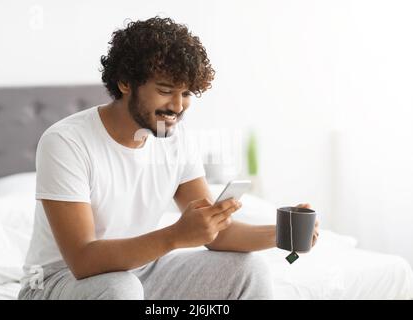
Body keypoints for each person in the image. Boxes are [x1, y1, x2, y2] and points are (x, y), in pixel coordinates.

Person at [18, 16, 319, 300]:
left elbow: (216, 236)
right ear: (125, 82)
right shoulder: (67, 142)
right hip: (57, 281)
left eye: (187, 93)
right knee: (120, 289)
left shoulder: (177, 139)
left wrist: (284, 234)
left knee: (248, 271)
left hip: (139, 271)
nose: (177, 106)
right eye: (165, 91)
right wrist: (175, 235)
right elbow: (83, 260)